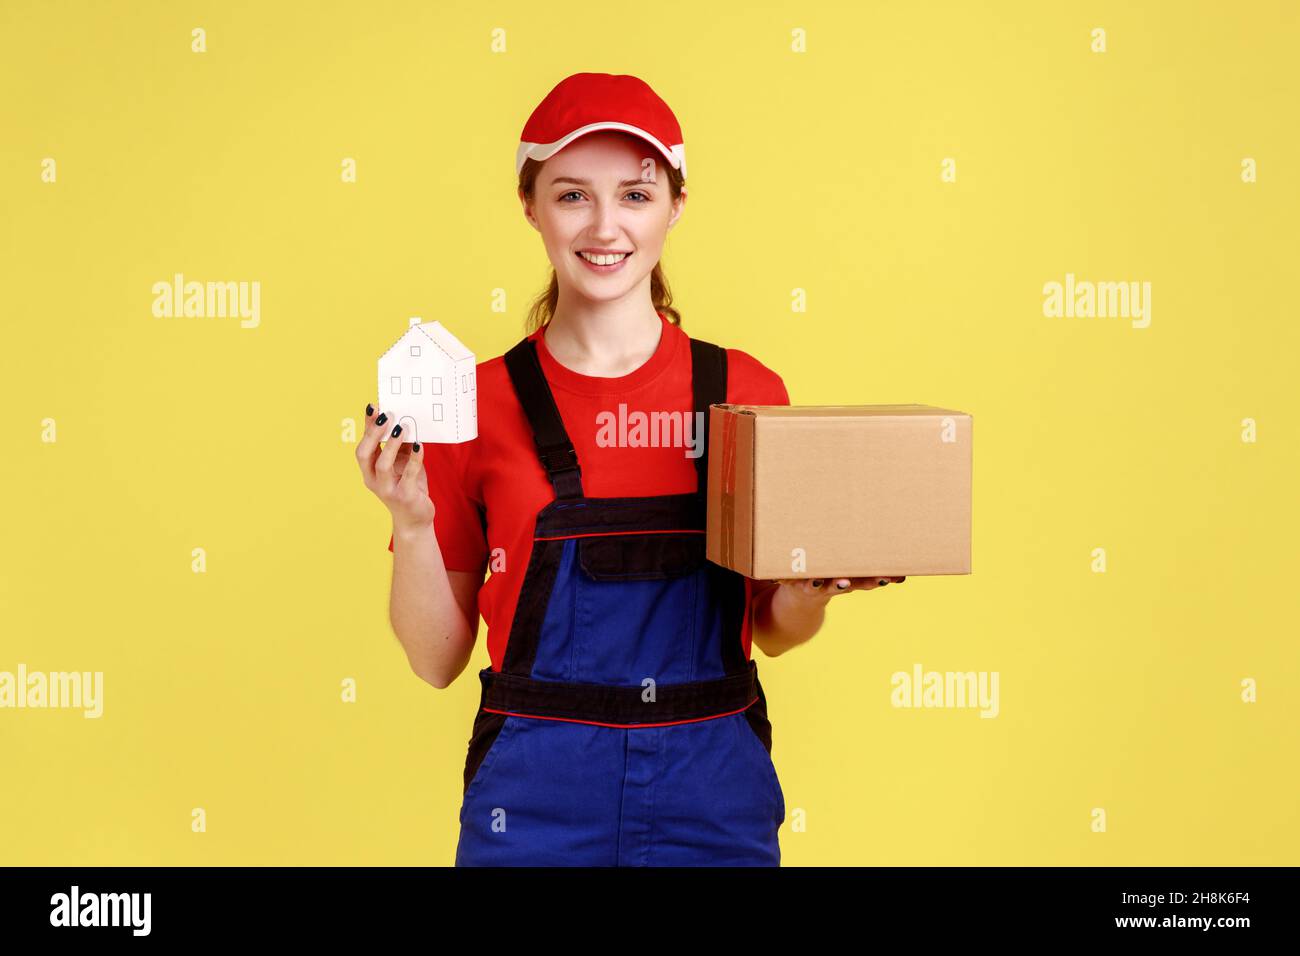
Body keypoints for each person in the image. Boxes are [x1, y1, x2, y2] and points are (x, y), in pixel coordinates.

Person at [357, 72, 904, 866]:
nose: (605, 225)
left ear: (675, 206)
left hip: (712, 797)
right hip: (534, 806)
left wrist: (809, 588)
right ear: (531, 206)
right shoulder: (472, 403)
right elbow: (436, 659)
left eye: (636, 196)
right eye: (573, 195)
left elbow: (776, 633)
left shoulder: (746, 395)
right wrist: (409, 521)